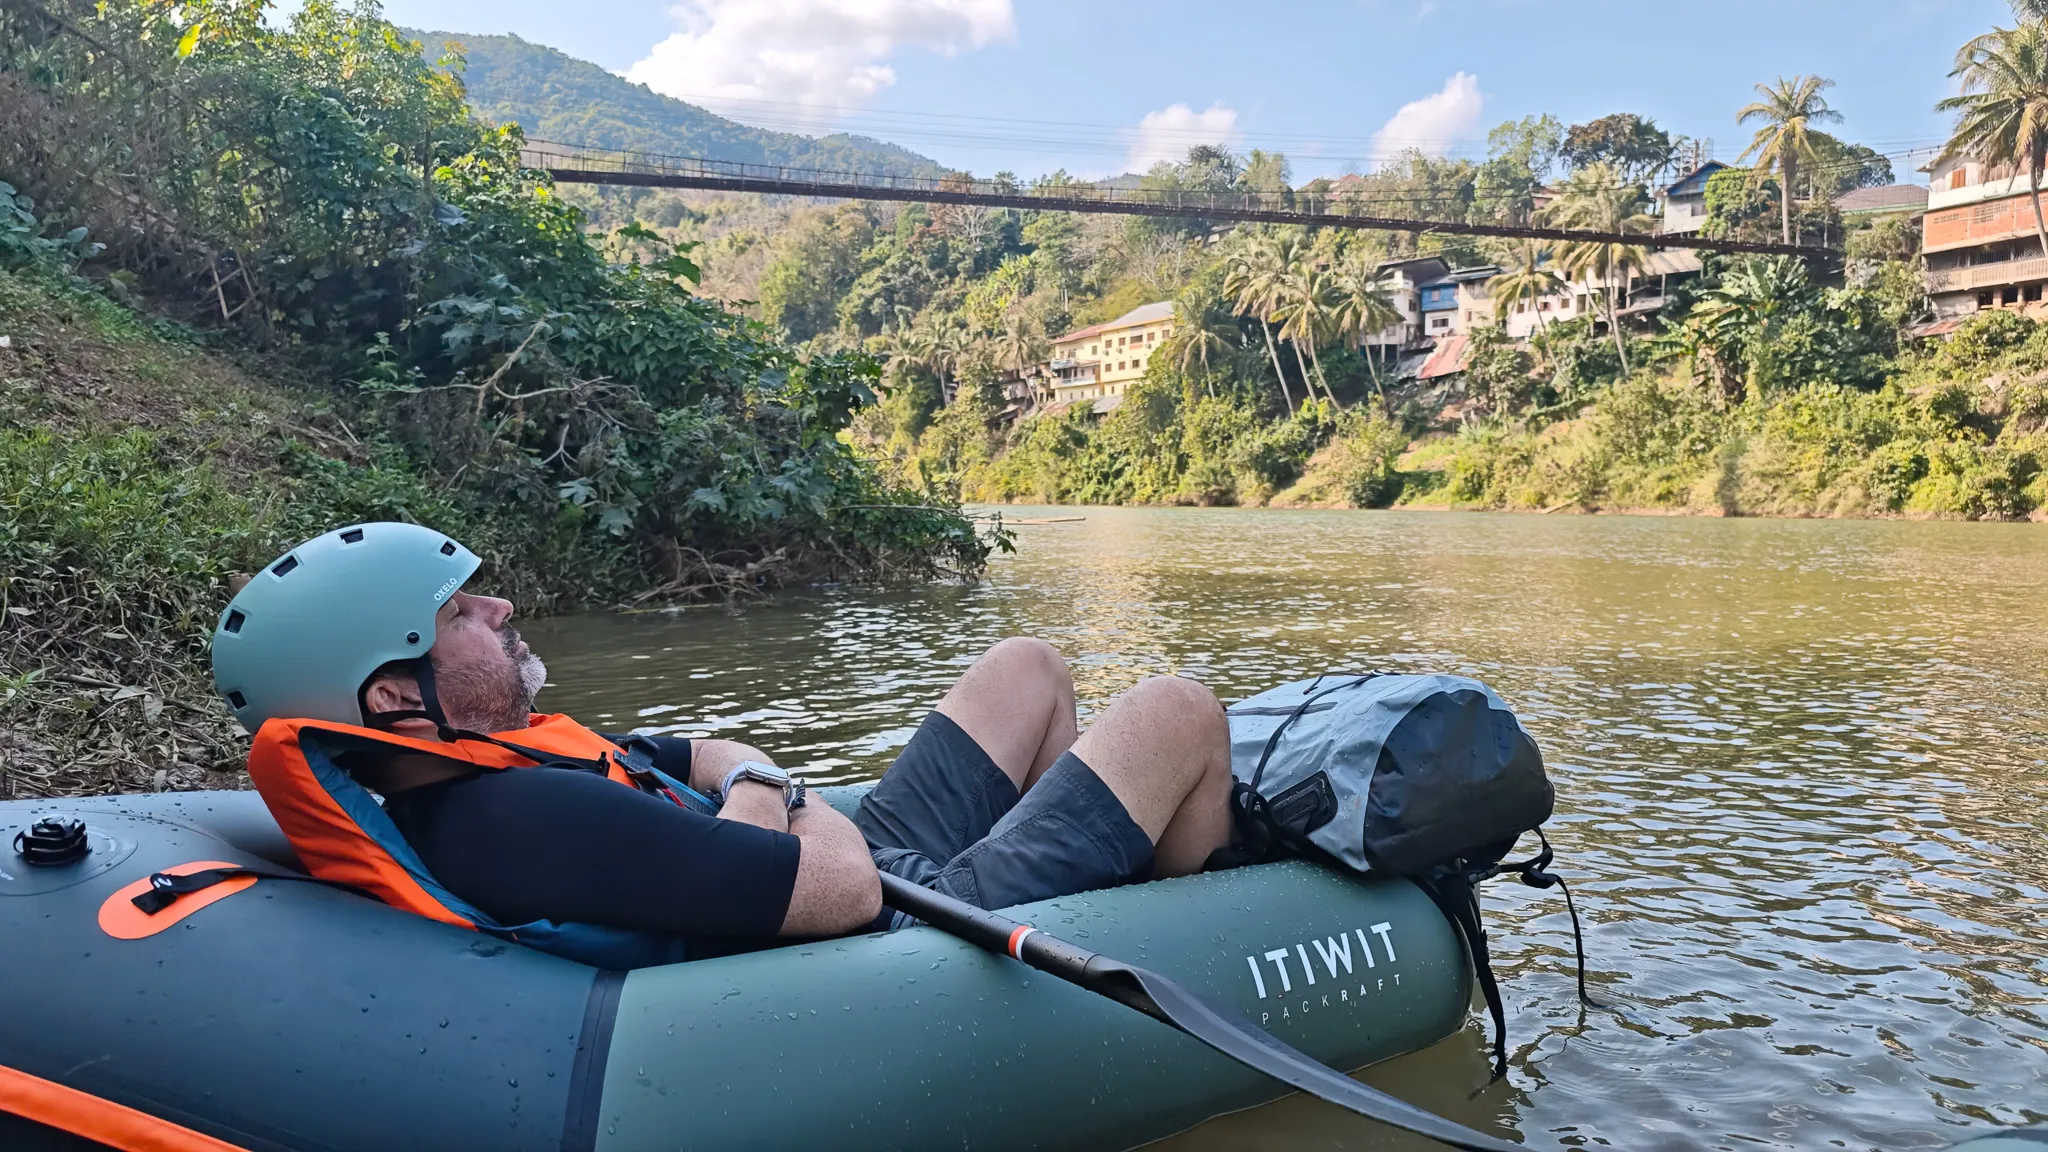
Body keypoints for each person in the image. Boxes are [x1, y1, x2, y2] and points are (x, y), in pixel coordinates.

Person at [210, 522, 1235, 962]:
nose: (499, 603)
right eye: (460, 614)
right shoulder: (517, 816)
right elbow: (844, 895)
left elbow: (694, 745)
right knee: (1178, 707)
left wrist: (751, 783)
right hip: (907, 935)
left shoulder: (501, 756)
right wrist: (768, 791)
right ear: (395, 694)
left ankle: (1087, 859)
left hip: (839, 861)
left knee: (1027, 664)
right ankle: (1202, 915)